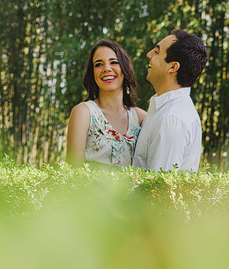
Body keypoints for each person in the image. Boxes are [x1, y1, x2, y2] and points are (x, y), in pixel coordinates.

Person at [132, 29, 208, 172]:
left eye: (156, 52)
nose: (149, 54)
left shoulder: (171, 119)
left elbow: (159, 188)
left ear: (173, 67)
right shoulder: (167, 109)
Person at [66, 39, 147, 167]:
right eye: (98, 64)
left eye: (114, 62)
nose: (106, 69)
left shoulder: (141, 118)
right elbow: (72, 172)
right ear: (92, 74)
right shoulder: (84, 113)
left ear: (124, 69)